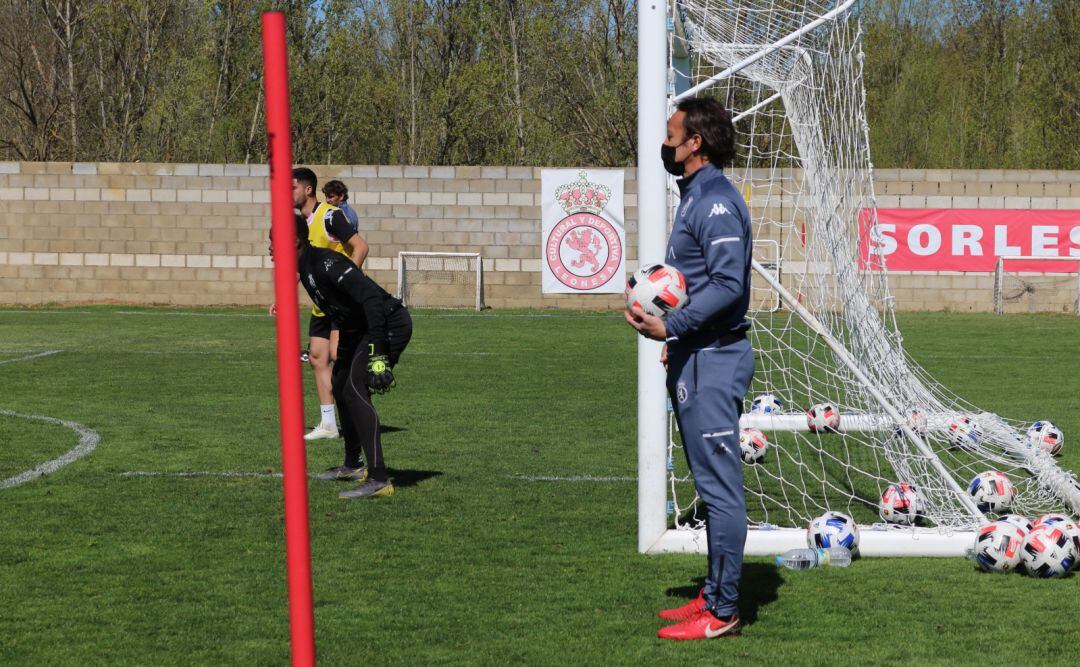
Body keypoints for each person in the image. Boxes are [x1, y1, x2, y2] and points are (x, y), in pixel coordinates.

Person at [625, 97, 755, 641]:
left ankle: (723, 612)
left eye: (671, 133)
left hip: (714, 359)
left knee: (720, 490)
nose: (665, 142)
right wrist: (672, 334)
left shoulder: (717, 201)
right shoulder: (695, 195)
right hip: (694, 356)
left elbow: (728, 287)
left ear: (694, 142)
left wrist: (674, 329)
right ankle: (712, 592)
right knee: (707, 483)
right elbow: (697, 283)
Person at [274, 212, 412, 499]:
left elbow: (371, 298)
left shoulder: (325, 262)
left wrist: (377, 352)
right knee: (338, 385)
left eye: (275, 241)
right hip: (356, 328)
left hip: (386, 323)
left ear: (295, 241)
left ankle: (379, 478)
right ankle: (353, 465)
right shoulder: (305, 268)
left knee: (355, 389)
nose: (271, 248)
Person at [290, 168, 370, 441]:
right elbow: (303, 266)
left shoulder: (330, 216)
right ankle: (328, 424)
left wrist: (347, 280)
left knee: (338, 356)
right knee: (316, 357)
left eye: (293, 188)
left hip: (340, 302)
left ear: (307, 190)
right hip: (322, 302)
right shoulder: (302, 224)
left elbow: (361, 246)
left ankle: (360, 405)